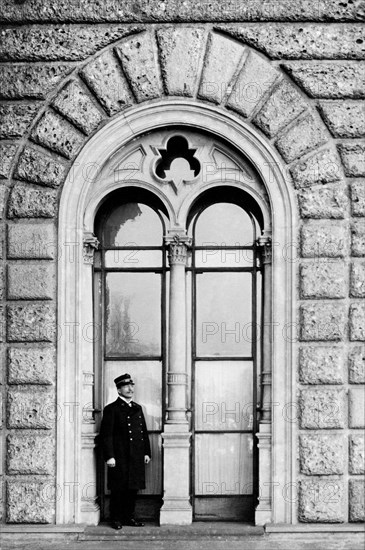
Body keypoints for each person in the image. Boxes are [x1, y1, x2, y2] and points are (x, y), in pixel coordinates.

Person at [99, 373, 151, 530]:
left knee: (133, 489)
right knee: (118, 489)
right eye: (126, 386)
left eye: (131, 385)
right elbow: (106, 435)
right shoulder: (111, 409)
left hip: (135, 456)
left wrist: (146, 452)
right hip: (119, 457)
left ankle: (129, 517)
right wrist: (109, 456)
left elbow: (143, 432)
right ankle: (116, 518)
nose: (130, 388)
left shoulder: (137, 408)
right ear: (119, 390)